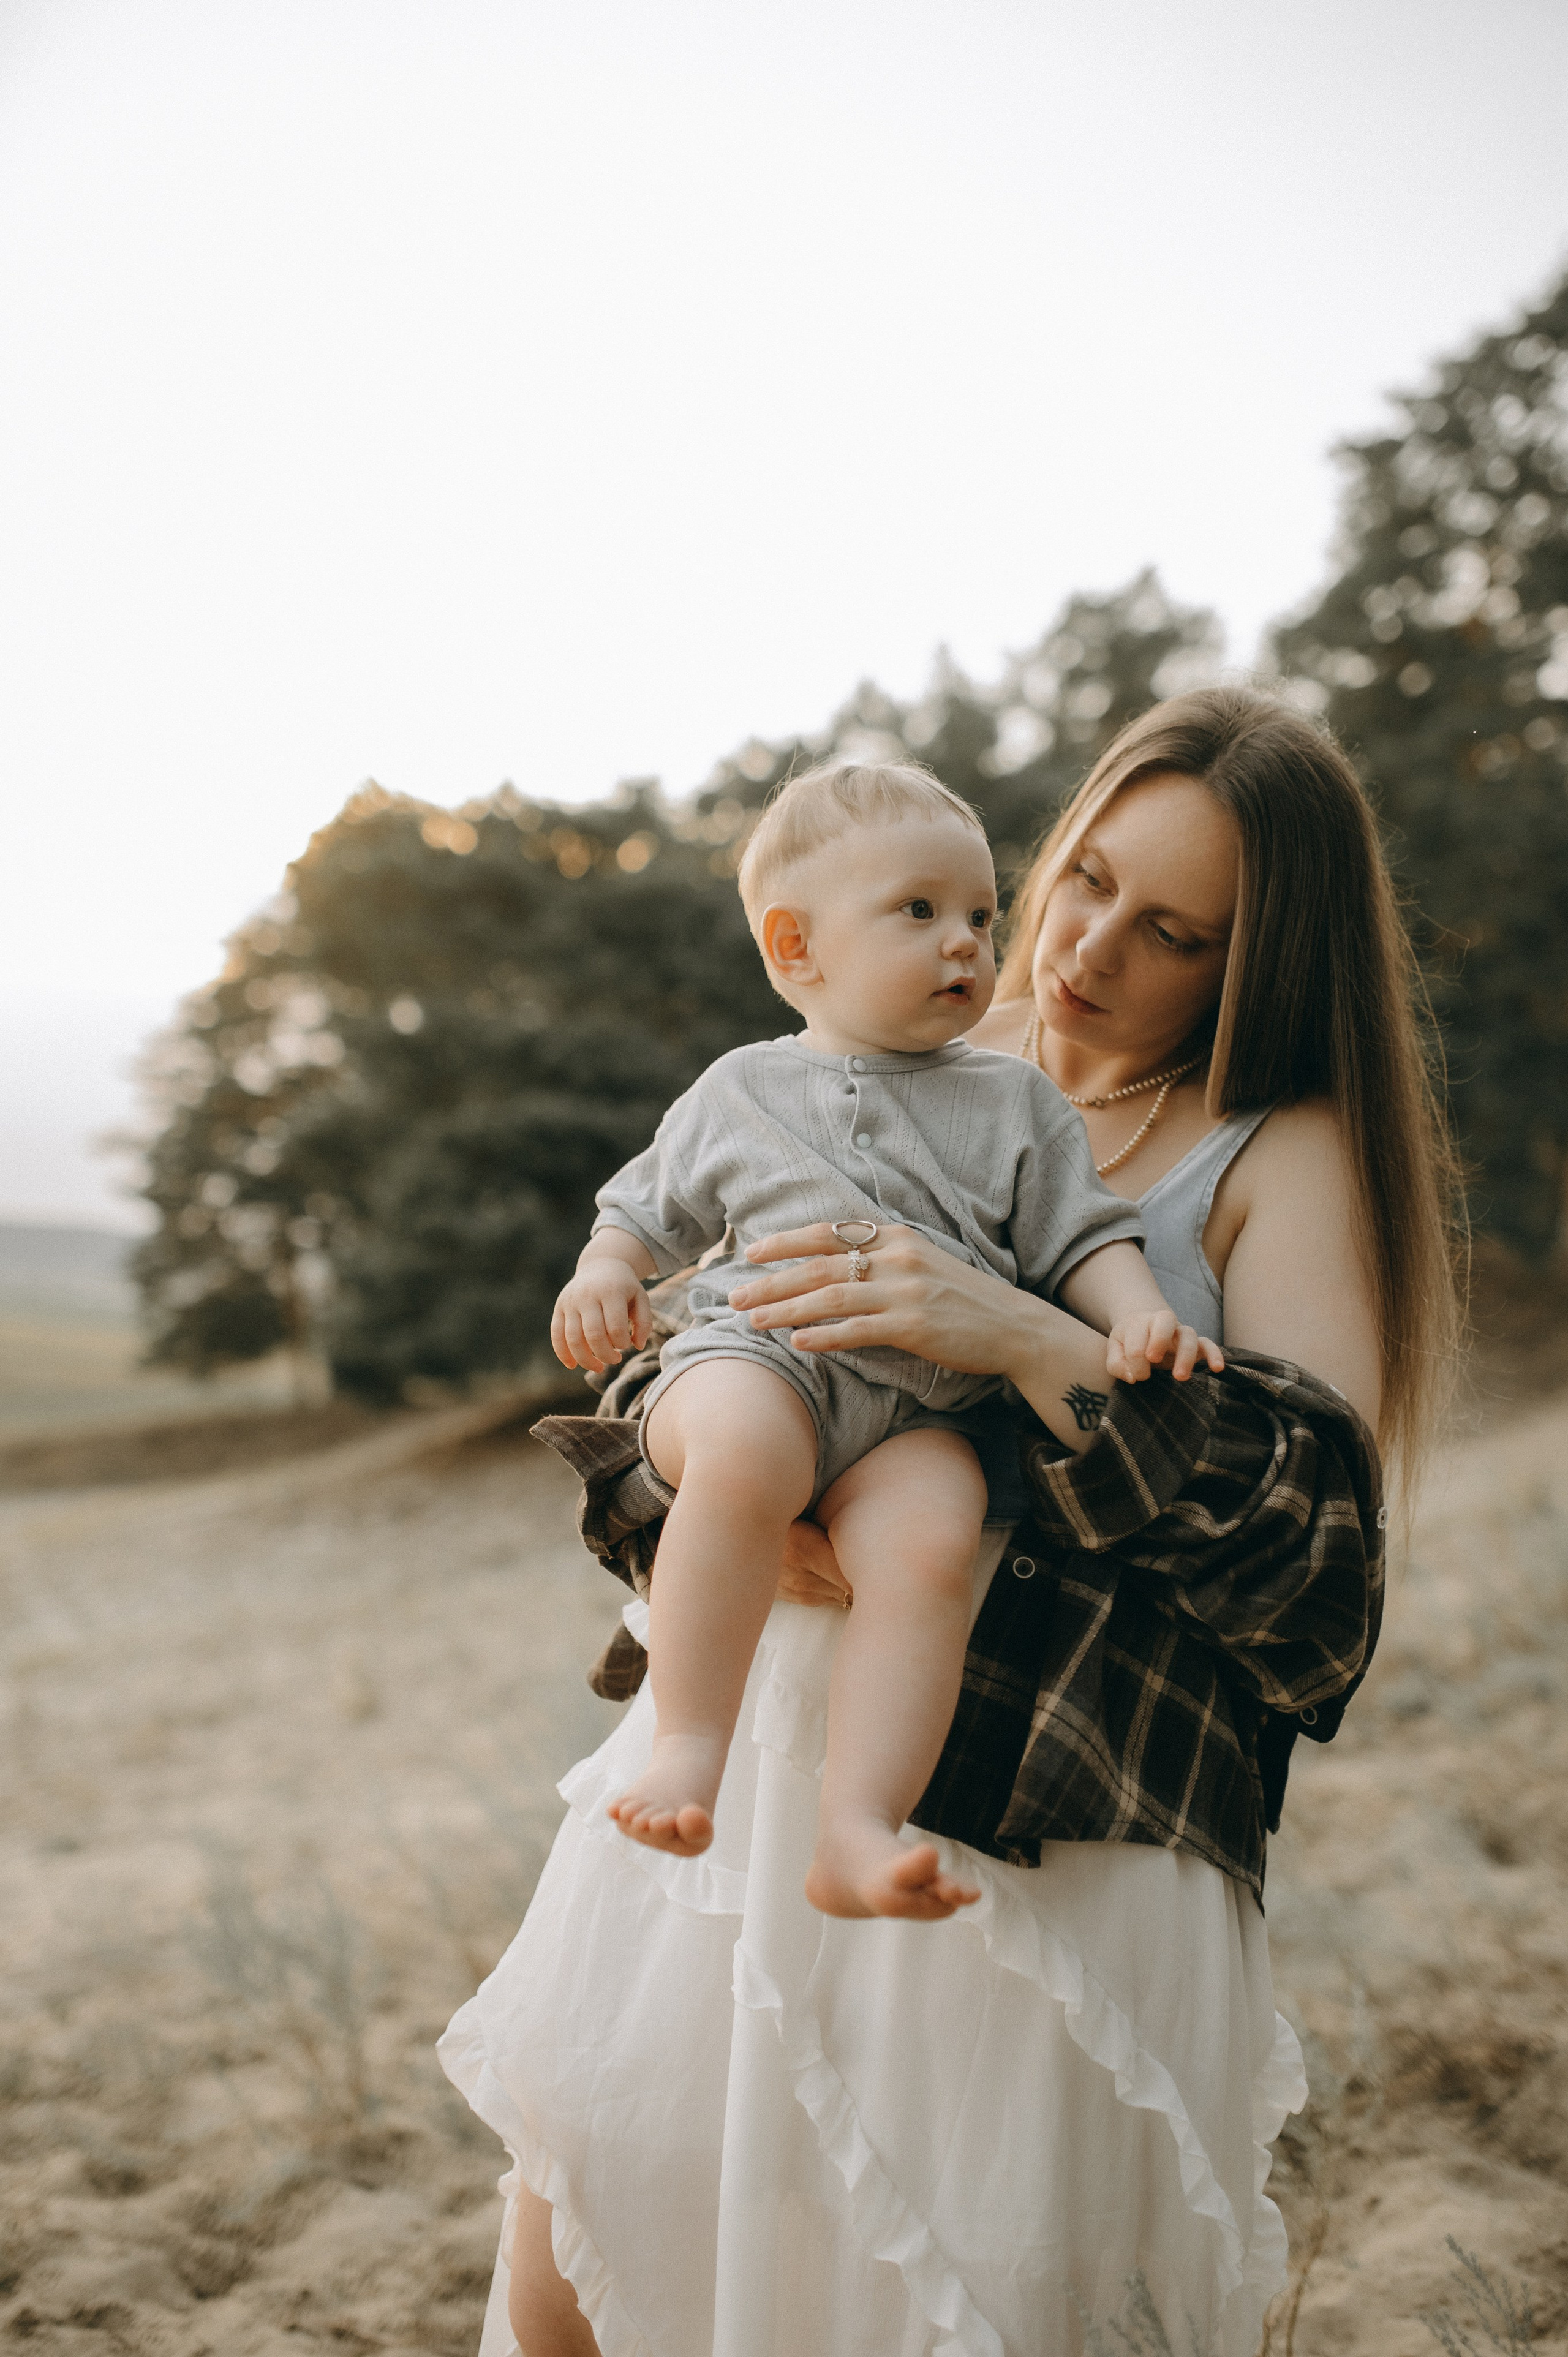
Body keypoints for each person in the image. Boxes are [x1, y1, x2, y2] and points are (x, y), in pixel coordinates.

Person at [440, 687, 1461, 2357]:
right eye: (1088, 880)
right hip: (754, 1767)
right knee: (579, 2269)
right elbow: (686, 1355)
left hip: (1049, 1833)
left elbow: (1308, 1556)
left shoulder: (1279, 1155)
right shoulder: (892, 1047)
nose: (1084, 946)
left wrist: (1029, 1341)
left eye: (1174, 932)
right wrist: (717, 1494)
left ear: (1261, 962)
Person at [550, 761, 1220, 1920]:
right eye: (919, 910)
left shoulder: (1016, 1102)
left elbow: (1080, 1238)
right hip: (762, 1359)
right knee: (747, 1454)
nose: (965, 941)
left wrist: (1138, 1311)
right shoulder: (741, 1088)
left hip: (925, 1410)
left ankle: (859, 1827)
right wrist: (605, 1272)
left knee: (928, 1543)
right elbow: (645, 1213)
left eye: (981, 915)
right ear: (797, 947)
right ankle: (688, 1746)